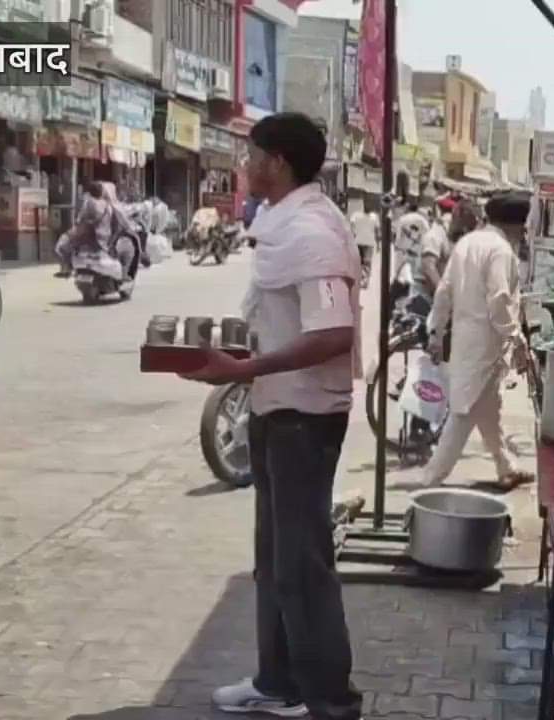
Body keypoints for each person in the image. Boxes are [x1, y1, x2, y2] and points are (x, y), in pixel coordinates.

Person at [179, 112, 363, 720]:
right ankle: (279, 682)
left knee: (302, 567)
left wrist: (244, 369)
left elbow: (333, 333)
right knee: (277, 561)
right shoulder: (286, 222)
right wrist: (243, 361)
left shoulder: (311, 233)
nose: (244, 165)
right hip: (277, 408)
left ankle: (331, 704)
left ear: (277, 163)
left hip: (303, 418)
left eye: (251, 155)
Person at [419, 191, 534, 491]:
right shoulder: (501, 251)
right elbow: (499, 299)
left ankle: (506, 467)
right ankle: (430, 481)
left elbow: (444, 291)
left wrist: (436, 330)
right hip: (487, 344)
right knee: (464, 413)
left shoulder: (467, 243)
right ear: (515, 225)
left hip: (465, 340)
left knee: (488, 408)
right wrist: (516, 337)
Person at [54, 180, 113, 278]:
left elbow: (80, 219)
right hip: (102, 239)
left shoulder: (89, 202)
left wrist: (77, 225)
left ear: (90, 192)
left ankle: (66, 268)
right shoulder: (108, 206)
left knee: (60, 246)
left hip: (86, 235)